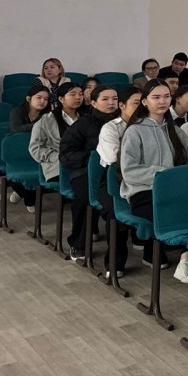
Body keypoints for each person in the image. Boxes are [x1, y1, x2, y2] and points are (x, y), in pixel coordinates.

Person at [120, 79, 188, 269]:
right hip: (143, 192)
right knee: (176, 212)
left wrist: (181, 180)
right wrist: (166, 176)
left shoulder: (175, 130)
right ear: (145, 102)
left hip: (174, 191)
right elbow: (129, 171)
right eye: (156, 97)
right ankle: (186, 260)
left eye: (166, 96)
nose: (162, 101)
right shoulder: (135, 130)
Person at [59, 84, 119, 261]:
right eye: (105, 99)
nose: (111, 103)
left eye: (115, 99)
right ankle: (78, 243)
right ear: (93, 103)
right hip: (84, 170)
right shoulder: (83, 124)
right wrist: (93, 160)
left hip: (113, 171)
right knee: (85, 196)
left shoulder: (122, 122)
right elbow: (66, 153)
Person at [97, 85, 141, 276]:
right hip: (114, 179)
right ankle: (115, 262)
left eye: (143, 103)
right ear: (122, 106)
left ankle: (151, 252)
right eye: (136, 103)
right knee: (115, 212)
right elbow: (114, 158)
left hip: (142, 178)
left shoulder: (148, 125)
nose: (141, 107)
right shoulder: (111, 128)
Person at [26, 83, 84, 213]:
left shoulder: (86, 118)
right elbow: (36, 149)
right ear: (61, 99)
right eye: (73, 94)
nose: (78, 97)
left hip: (83, 163)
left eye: (80, 94)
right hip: (58, 166)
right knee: (84, 183)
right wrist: (60, 158)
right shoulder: (45, 121)